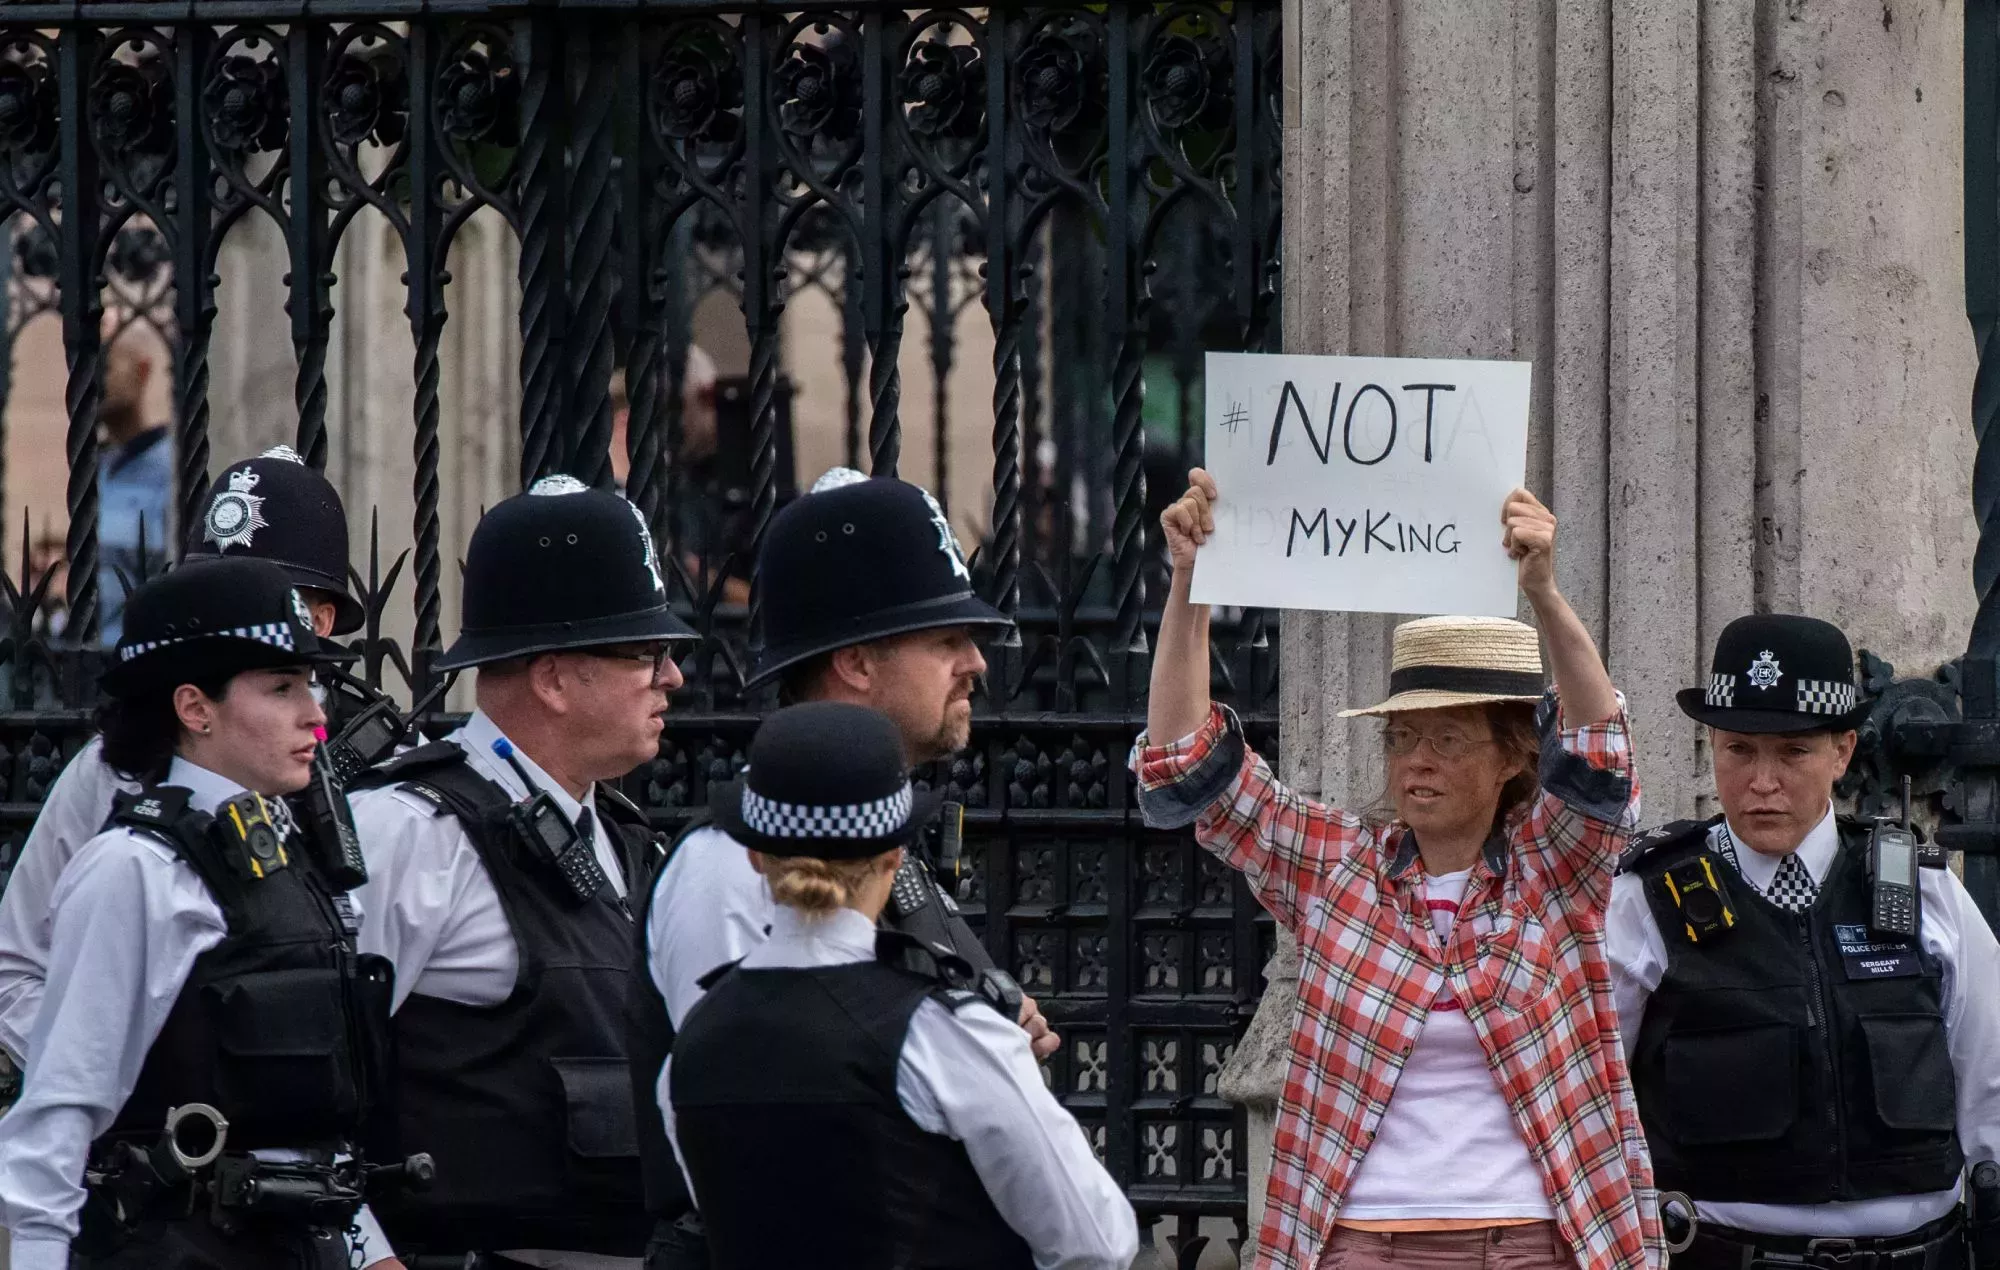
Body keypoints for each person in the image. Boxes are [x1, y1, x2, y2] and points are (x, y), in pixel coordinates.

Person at [1132, 469, 1658, 1270]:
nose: (1417, 762)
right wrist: (1192, 584)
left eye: (1447, 740)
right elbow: (1185, 765)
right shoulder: (1338, 868)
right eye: (1401, 738)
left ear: (1514, 755)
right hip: (1360, 1242)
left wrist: (1545, 594)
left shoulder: (1554, 871)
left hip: (1525, 1241)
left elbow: (1600, 756)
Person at [630, 468, 1057, 1269]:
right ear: (857, 664)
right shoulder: (733, 865)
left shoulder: (890, 845)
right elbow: (745, 1141)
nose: (978, 664)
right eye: (944, 640)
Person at [0, 556, 400, 1270]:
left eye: (310, 685)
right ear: (194, 708)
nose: (316, 713)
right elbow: (58, 1116)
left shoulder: (297, 857)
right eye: (282, 687)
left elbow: (314, 1114)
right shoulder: (134, 870)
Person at [347, 475, 699, 1269]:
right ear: (552, 677)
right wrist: (367, 1257)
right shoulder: (411, 831)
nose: (672, 677)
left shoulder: (622, 836)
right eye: (644, 653)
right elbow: (308, 1093)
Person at [665, 700, 1138, 1270]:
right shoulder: (943, 1037)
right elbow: (1097, 1240)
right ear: (894, 857)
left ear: (756, 857)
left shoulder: (692, 1042)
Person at [1610, 614, 2000, 1270]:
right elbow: (1589, 1095)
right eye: (1739, 750)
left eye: (1793, 753)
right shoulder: (1649, 898)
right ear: (1713, 745)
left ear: (1842, 752)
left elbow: (1989, 1082)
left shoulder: (1919, 888)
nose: (1763, 782)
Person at [0, 445, 375, 1069]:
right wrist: (127, 1081)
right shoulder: (120, 764)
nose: (227, 603)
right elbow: (17, 967)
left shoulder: (387, 773)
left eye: (263, 587)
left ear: (323, 617)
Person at [95, 317, 173, 645]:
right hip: (90, 659)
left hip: (145, 659)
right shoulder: (100, 466)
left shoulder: (170, 467)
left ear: (142, 371)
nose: (90, 376)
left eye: (104, 363)